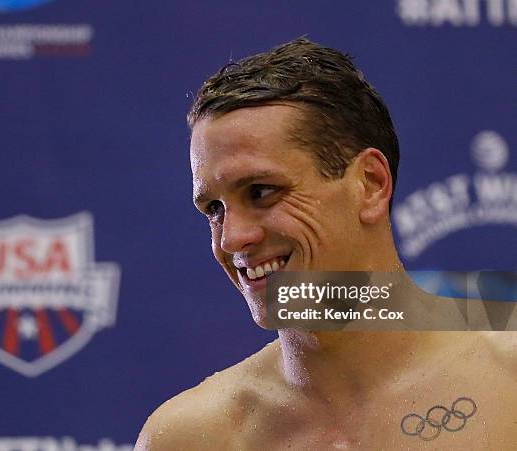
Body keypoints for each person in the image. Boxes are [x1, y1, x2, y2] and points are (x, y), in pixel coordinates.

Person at [135, 38, 517, 450]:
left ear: (370, 184)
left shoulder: (508, 378)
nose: (232, 238)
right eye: (214, 209)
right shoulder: (191, 437)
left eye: (261, 191)